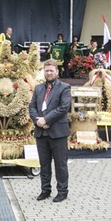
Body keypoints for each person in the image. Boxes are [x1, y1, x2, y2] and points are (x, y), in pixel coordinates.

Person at [29, 59, 71, 202]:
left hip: (58, 133)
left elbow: (64, 107)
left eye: (51, 70)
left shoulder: (64, 88)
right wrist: (38, 121)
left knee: (60, 164)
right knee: (44, 164)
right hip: (41, 133)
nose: (49, 73)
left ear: (57, 72)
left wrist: (46, 120)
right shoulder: (38, 88)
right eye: (46, 70)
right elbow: (32, 107)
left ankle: (62, 191)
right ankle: (45, 190)